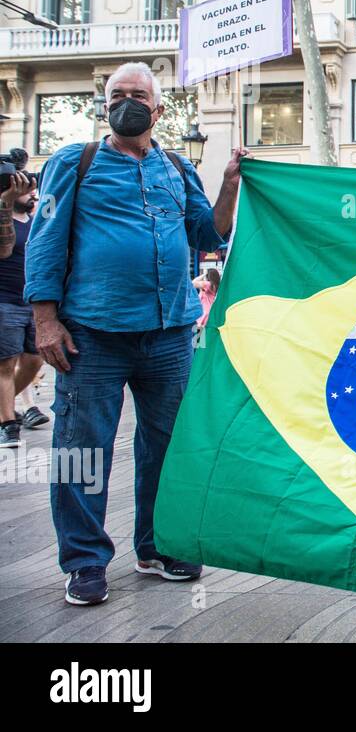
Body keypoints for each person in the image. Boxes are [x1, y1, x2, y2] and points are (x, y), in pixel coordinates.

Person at [25, 61, 247, 607]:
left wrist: (229, 185)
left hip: (170, 334)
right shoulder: (72, 163)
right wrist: (45, 319)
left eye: (138, 94)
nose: (127, 101)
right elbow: (45, 240)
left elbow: (208, 234)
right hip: (92, 334)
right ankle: (84, 562)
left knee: (168, 448)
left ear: (159, 108)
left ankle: (158, 547)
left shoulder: (176, 167)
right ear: (104, 106)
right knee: (82, 449)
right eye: (117, 94)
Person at [0, 165, 45, 449]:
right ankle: (8, 424)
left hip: (30, 301)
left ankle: (4, 407)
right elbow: (4, 249)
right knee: (5, 366)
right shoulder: (4, 216)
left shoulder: (32, 220)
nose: (31, 193)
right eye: (25, 189)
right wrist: (4, 204)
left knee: (34, 360)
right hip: (4, 302)